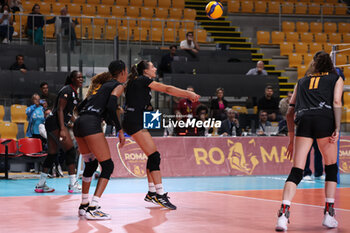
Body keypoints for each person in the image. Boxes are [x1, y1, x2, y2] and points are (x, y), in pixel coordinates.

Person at [275, 51, 343, 231]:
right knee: (331, 168)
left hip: (304, 122)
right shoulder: (336, 78)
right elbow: (337, 102)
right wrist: (337, 127)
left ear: (314, 64)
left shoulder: (301, 81)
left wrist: (291, 140)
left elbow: (290, 112)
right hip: (325, 120)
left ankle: (283, 215)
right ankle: (329, 215)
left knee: (297, 171)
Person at [123, 60, 200, 210]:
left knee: (152, 156)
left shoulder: (137, 81)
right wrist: (188, 93)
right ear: (145, 71)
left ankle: (152, 193)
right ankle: (159, 194)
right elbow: (168, 89)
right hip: (134, 121)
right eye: (152, 66)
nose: (155, 68)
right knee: (154, 156)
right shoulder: (143, 80)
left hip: (133, 120)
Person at [74, 61, 127, 220]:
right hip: (91, 124)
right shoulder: (118, 85)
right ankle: (93, 206)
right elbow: (111, 107)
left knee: (91, 164)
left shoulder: (100, 87)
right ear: (123, 72)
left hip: (79, 123)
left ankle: (84, 205)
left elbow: (81, 106)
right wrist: (119, 129)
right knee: (108, 166)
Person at [34, 70, 83, 193]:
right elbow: (60, 110)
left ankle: (40, 184)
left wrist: (77, 122)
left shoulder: (73, 92)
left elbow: (68, 113)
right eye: (78, 77)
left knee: (52, 154)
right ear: (72, 79)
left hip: (52, 123)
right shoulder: (67, 90)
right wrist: (62, 128)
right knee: (70, 151)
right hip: (55, 123)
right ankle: (73, 184)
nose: (81, 79)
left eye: (82, 77)